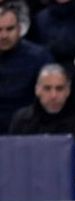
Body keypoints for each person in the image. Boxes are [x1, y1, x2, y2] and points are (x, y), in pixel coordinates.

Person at [9, 63, 75, 145]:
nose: (53, 96)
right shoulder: (21, 121)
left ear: (68, 91)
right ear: (37, 90)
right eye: (47, 88)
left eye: (59, 89)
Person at [0, 1, 52, 133]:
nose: (4, 35)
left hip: (27, 131)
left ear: (19, 29)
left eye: (10, 29)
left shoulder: (39, 57)